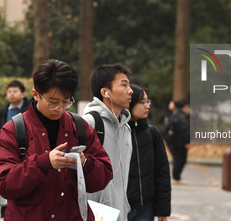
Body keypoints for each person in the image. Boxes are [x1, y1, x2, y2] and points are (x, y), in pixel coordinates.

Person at [0, 59, 113, 220]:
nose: (59, 108)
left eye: (66, 101)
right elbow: (4, 185)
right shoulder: (14, 130)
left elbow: (103, 178)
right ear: (35, 95)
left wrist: (84, 163)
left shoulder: (79, 127)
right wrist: (43, 163)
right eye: (53, 102)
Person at [82, 64, 133, 221]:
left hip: (119, 213)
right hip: (94, 213)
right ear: (105, 92)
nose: (130, 90)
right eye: (124, 85)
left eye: (129, 85)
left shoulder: (126, 128)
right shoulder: (89, 123)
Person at [127, 84, 171, 221]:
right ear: (130, 103)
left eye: (148, 101)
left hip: (145, 207)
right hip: (121, 206)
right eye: (142, 102)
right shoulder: (118, 132)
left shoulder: (152, 133)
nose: (147, 106)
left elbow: (162, 172)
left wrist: (162, 210)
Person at [0, 80, 31, 217]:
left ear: (23, 93)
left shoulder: (29, 109)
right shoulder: (3, 110)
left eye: (15, 91)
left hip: (24, 152)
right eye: (9, 91)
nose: (11, 94)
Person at [165, 99, 190, 184]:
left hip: (172, 140)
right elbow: (184, 130)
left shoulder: (174, 114)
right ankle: (176, 178)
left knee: (177, 159)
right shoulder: (181, 116)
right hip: (180, 142)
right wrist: (187, 141)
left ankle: (176, 177)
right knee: (180, 159)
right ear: (185, 106)